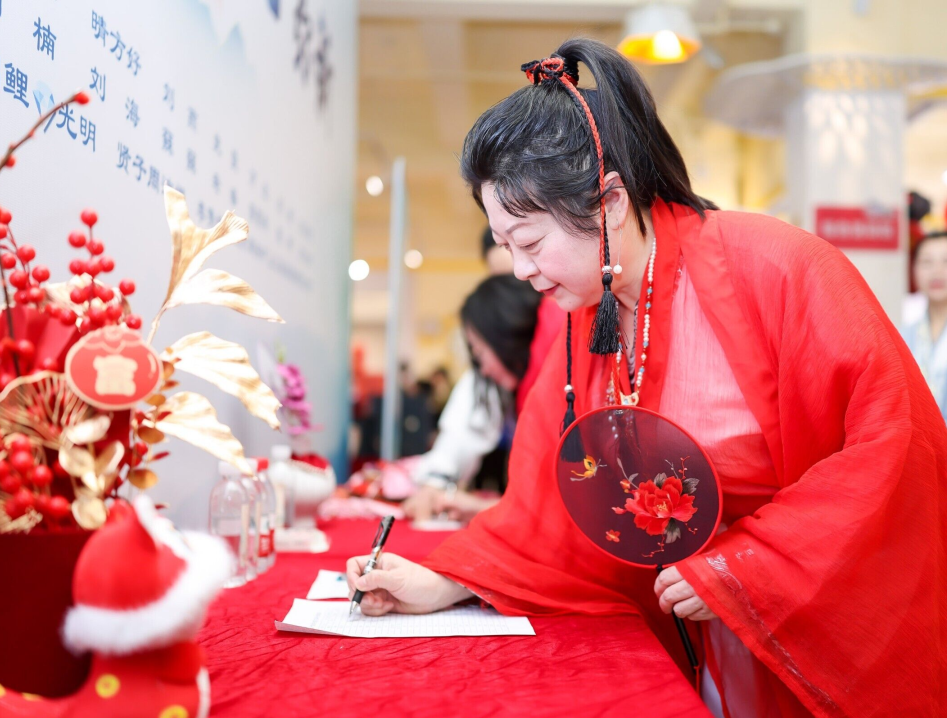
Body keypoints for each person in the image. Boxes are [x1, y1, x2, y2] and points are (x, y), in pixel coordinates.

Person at [346, 38, 947, 718]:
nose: (520, 269)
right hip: (693, 628)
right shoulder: (585, 315)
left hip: (800, 617)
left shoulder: (777, 270)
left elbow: (894, 441)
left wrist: (749, 564)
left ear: (608, 202)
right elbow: (548, 507)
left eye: (531, 242)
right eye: (507, 246)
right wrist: (446, 581)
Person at [400, 273, 562, 521]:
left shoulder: (562, 356)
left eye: (480, 353)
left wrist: (483, 507)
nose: (484, 370)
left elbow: (554, 508)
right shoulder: (532, 363)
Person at [902, 232, 947, 420]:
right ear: (914, 269)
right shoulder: (904, 334)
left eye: (945, 261)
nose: (937, 271)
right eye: (927, 262)